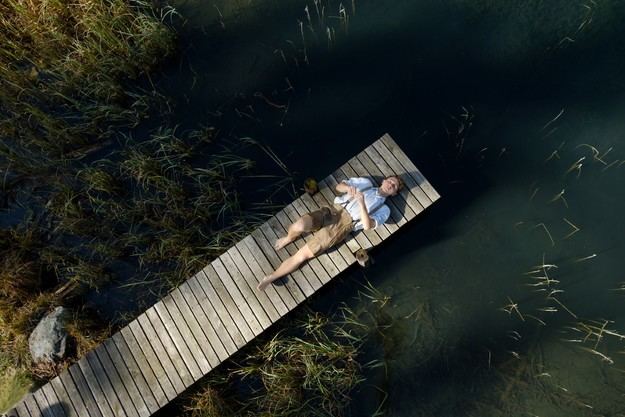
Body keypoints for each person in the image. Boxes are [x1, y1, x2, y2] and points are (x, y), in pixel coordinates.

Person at [257, 175, 404, 291]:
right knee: (300, 224)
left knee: (302, 255)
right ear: (384, 180)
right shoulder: (365, 183)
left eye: (394, 186)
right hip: (333, 210)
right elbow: (339, 186)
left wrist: (361, 203)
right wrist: (347, 188)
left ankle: (271, 277)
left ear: (394, 193)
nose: (390, 184)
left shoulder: (385, 210)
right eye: (390, 181)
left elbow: (367, 226)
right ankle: (289, 238)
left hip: (341, 227)